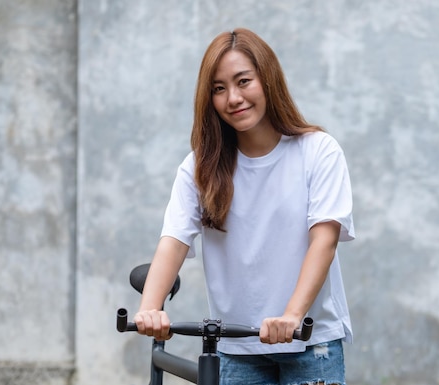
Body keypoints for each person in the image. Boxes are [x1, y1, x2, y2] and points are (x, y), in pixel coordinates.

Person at [134, 28, 355, 385]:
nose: (233, 98)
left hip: (310, 343)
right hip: (237, 348)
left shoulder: (318, 151)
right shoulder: (199, 167)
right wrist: (149, 308)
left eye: (243, 81)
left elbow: (324, 241)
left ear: (267, 80)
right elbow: (174, 239)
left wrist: (292, 316)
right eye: (219, 88)